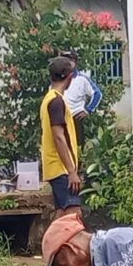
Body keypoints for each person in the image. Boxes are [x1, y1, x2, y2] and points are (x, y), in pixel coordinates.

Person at [39, 56, 85, 217]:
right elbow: (58, 137)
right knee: (73, 215)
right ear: (70, 77)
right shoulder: (57, 101)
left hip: (56, 167)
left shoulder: (49, 99)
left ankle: (48, 243)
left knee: (62, 215)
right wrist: (72, 171)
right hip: (61, 168)